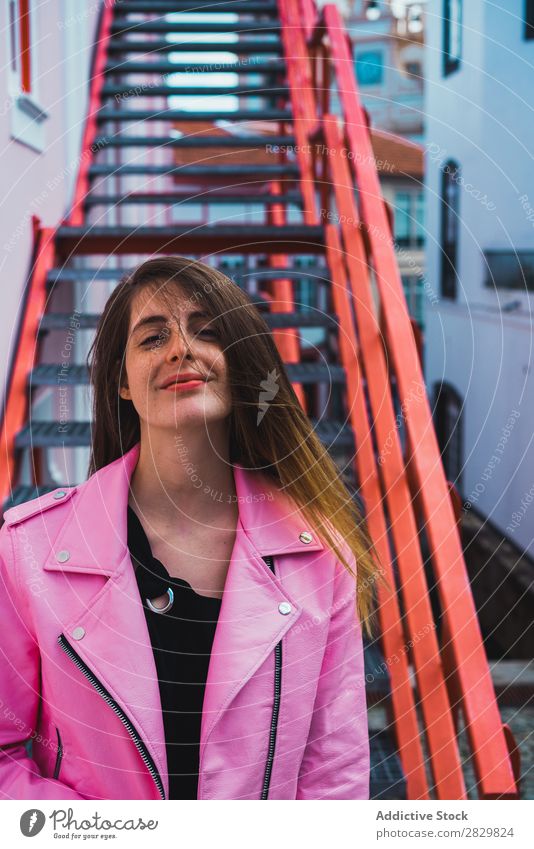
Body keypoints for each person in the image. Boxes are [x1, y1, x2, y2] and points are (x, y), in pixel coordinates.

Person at [0, 256, 381, 800]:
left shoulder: (319, 554)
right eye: (153, 337)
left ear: (241, 362)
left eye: (207, 331)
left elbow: (333, 772)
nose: (182, 347)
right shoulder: (25, 552)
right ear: (122, 382)